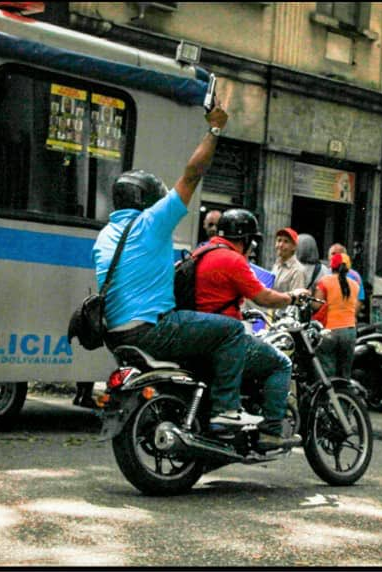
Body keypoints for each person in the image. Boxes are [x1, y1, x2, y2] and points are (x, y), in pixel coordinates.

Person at [93, 96, 257, 428]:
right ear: (147, 201)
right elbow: (194, 173)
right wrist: (215, 129)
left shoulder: (105, 235)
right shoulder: (151, 223)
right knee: (231, 331)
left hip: (116, 336)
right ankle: (226, 409)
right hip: (151, 330)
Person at [194, 209, 308, 448]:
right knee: (280, 363)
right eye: (251, 240)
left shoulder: (201, 252)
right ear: (243, 238)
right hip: (224, 340)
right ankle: (271, 430)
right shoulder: (233, 259)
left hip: (200, 335)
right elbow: (264, 297)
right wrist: (291, 297)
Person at [310, 253, 360, 379]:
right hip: (350, 331)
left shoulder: (325, 281)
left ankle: (328, 397)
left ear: (331, 267)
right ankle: (344, 395)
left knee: (327, 372)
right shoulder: (355, 285)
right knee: (345, 373)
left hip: (329, 331)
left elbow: (316, 305)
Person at [322, 243, 366, 313]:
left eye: (340, 254)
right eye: (333, 253)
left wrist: (353, 316)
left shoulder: (355, 276)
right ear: (328, 256)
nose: (336, 256)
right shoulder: (324, 273)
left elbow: (359, 299)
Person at [271, 227, 306, 293]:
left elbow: (296, 300)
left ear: (294, 247)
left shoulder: (298, 271)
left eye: (286, 241)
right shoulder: (276, 264)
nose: (281, 245)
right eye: (279, 240)